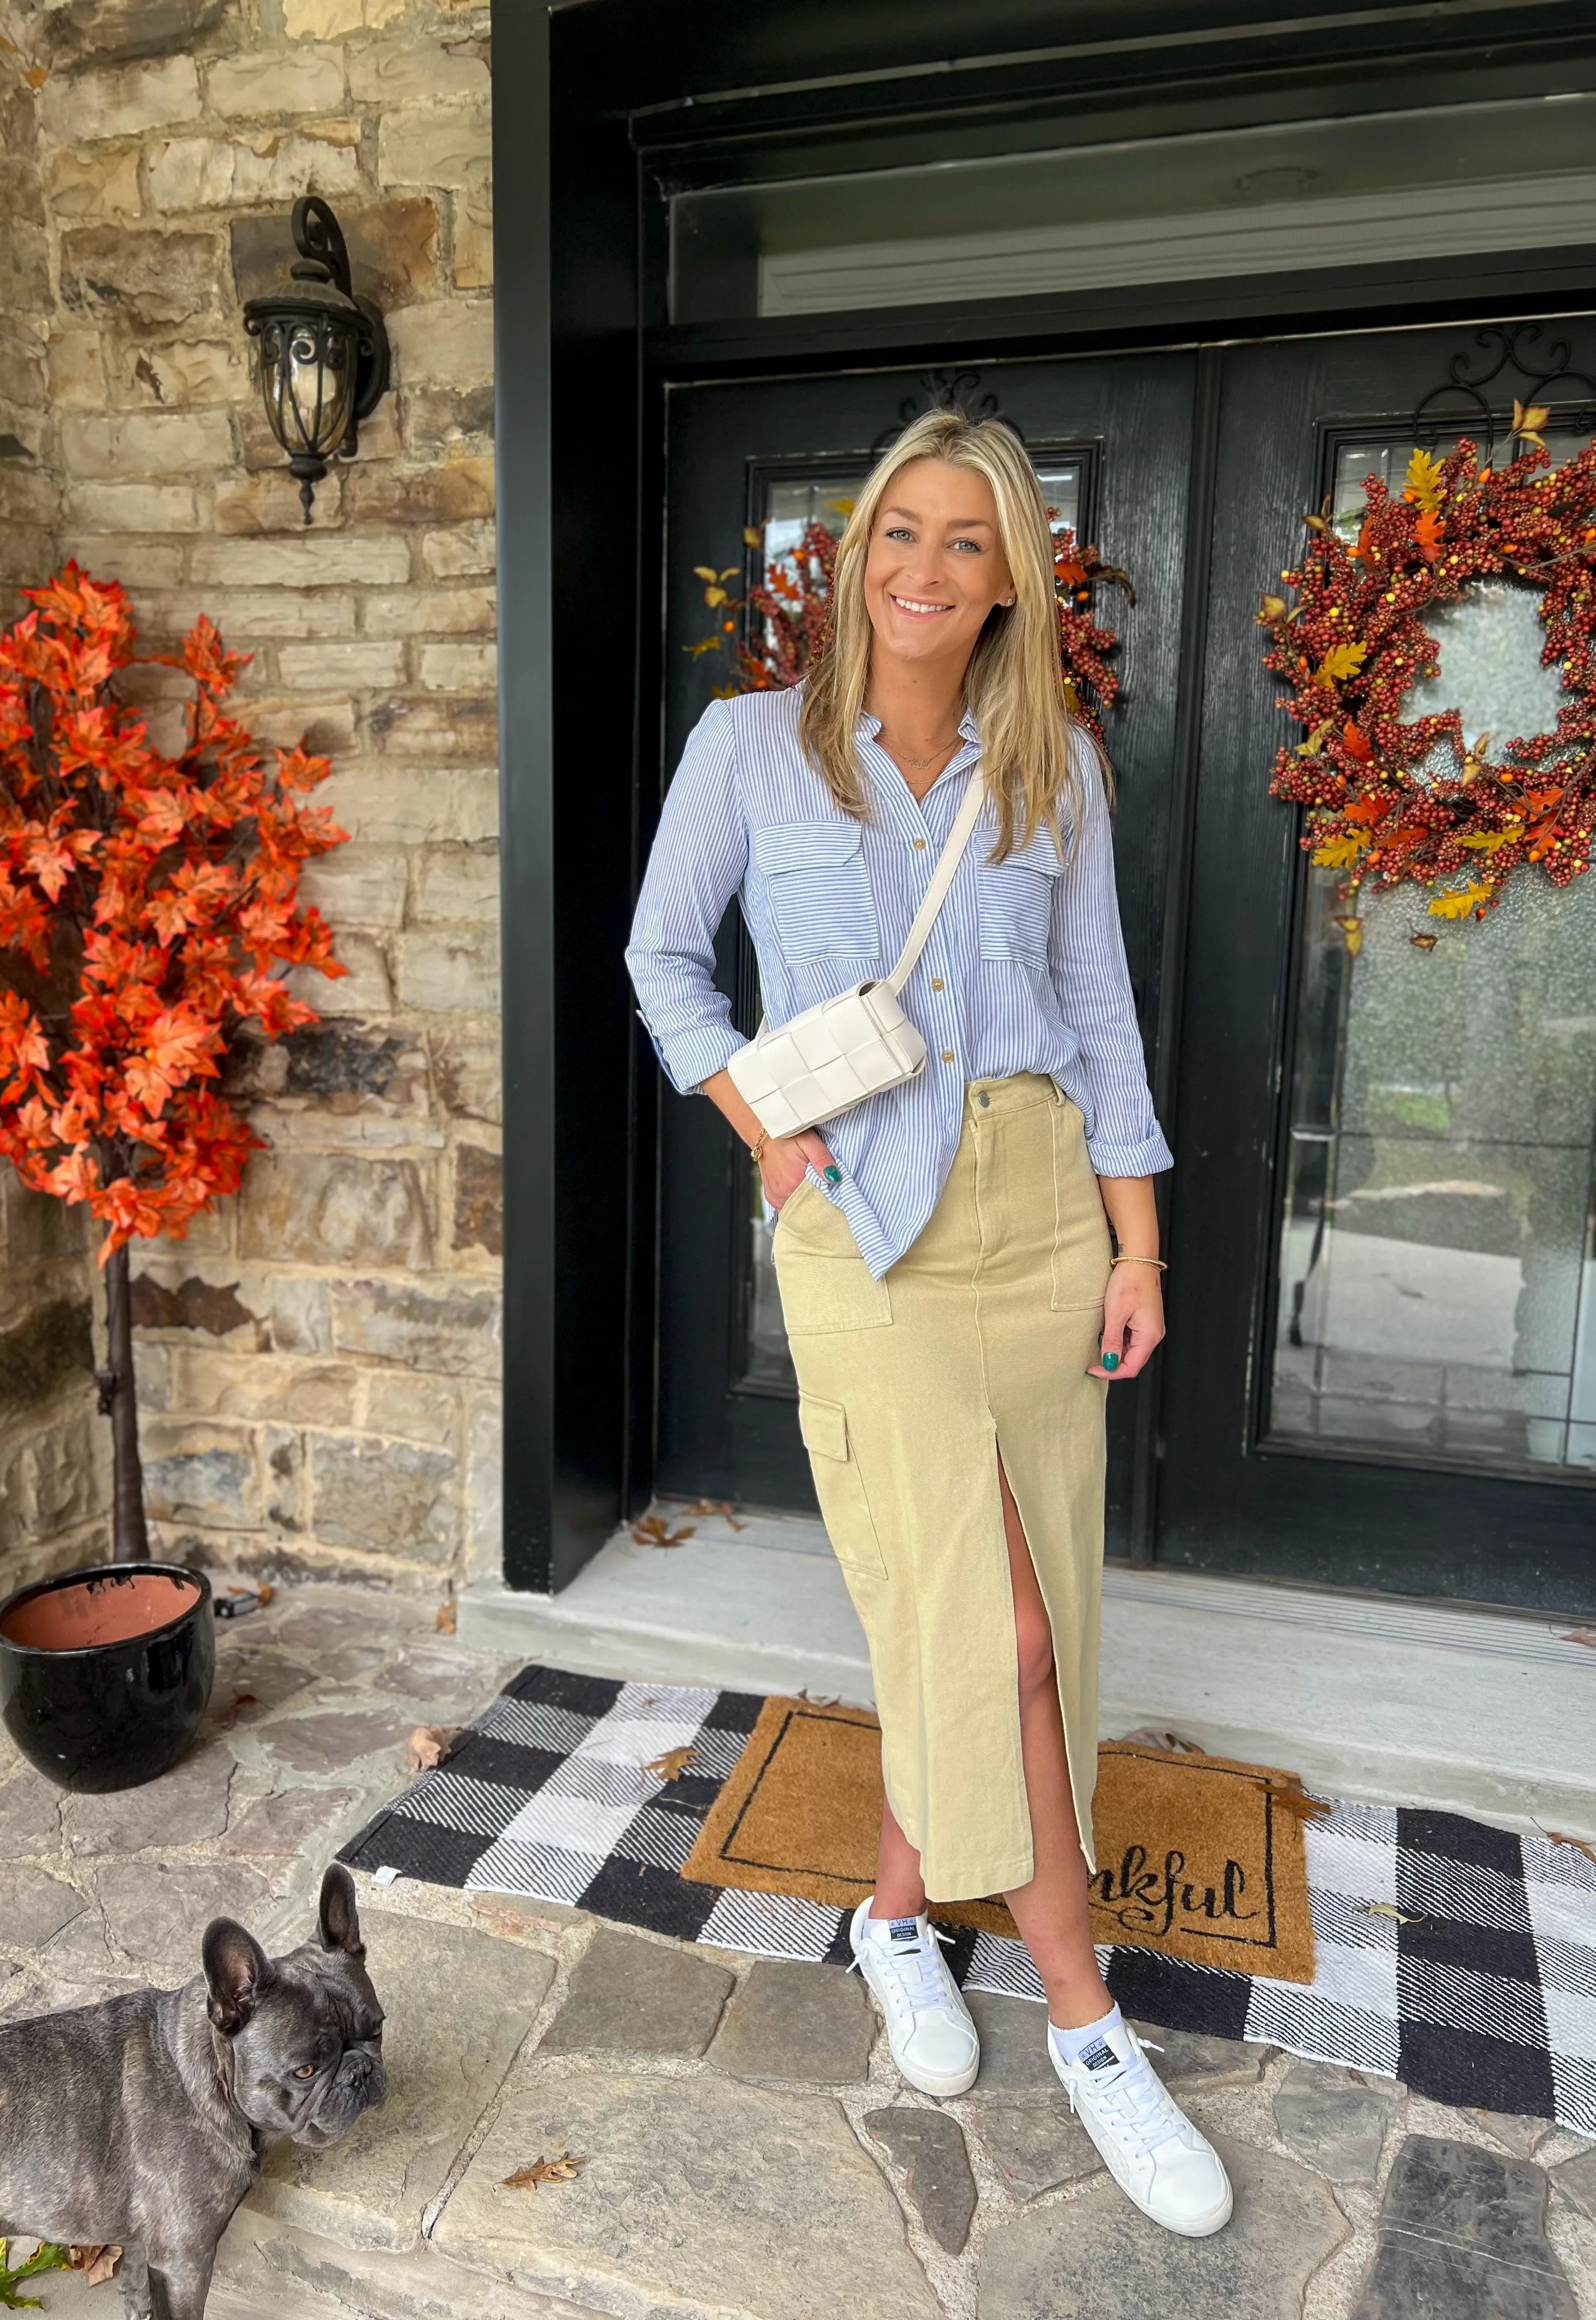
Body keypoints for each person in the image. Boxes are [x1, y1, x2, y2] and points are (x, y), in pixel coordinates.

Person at [625, 408, 1232, 2237]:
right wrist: (774, 1143)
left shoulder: (1054, 768)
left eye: (969, 539)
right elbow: (662, 957)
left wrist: (1139, 1250)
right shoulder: (750, 747)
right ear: (855, 553)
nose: (927, 566)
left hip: (1043, 1215)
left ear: (1008, 575)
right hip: (864, 1233)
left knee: (1013, 1602)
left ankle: (900, 1911)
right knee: (999, 1628)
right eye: (903, 527)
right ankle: (1087, 2013)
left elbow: (1102, 1015)